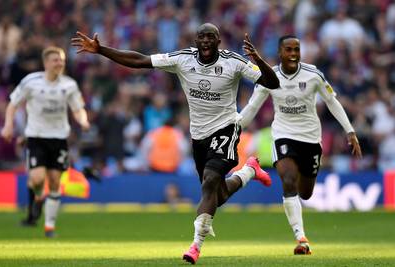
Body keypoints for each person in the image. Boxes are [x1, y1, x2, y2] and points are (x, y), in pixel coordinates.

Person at [71, 22, 279, 264]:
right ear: (196, 40)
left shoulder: (234, 61)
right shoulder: (182, 59)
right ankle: (249, 171)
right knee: (216, 194)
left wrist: (260, 60)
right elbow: (140, 61)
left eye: (211, 37)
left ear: (218, 41)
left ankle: (195, 246)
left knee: (210, 181)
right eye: (202, 37)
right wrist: (101, 50)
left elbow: (272, 83)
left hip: (226, 128)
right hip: (199, 136)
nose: (206, 41)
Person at [238, 35, 363, 255]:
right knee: (287, 179)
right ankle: (301, 238)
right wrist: (235, 128)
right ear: (280, 52)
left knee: (305, 193)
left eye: (297, 49)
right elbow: (252, 106)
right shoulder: (270, 76)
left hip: (311, 139)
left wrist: (350, 130)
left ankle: (301, 229)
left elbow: (332, 101)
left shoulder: (313, 74)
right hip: (284, 135)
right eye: (289, 49)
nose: (294, 54)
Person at [1, 46, 90, 237]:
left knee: (56, 181)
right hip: (36, 136)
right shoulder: (30, 82)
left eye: (62, 60)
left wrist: (83, 120)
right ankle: (39, 194)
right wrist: (8, 126)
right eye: (55, 60)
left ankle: (49, 227)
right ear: (46, 63)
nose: (59, 63)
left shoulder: (69, 85)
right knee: (37, 178)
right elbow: (12, 105)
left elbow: (77, 108)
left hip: (59, 138)